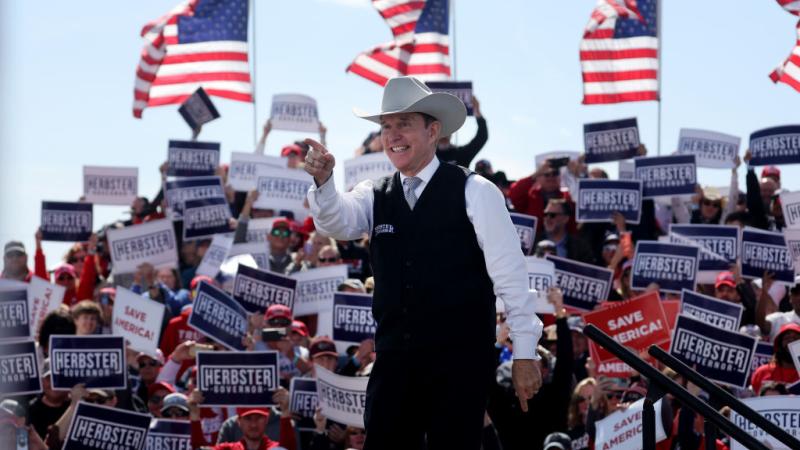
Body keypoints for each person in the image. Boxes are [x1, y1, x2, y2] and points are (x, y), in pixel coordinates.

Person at [303, 76, 542, 450]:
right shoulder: (373, 193)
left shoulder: (476, 191)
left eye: (404, 123)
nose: (393, 134)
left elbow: (510, 274)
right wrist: (323, 182)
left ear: (433, 131)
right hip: (395, 363)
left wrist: (525, 351)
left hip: (460, 363)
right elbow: (336, 220)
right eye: (386, 126)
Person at [435, 95, 488, 167]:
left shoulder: (461, 154)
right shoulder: (427, 155)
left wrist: (477, 112)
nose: (445, 134)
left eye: (448, 129)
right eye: (442, 129)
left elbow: (481, 137)